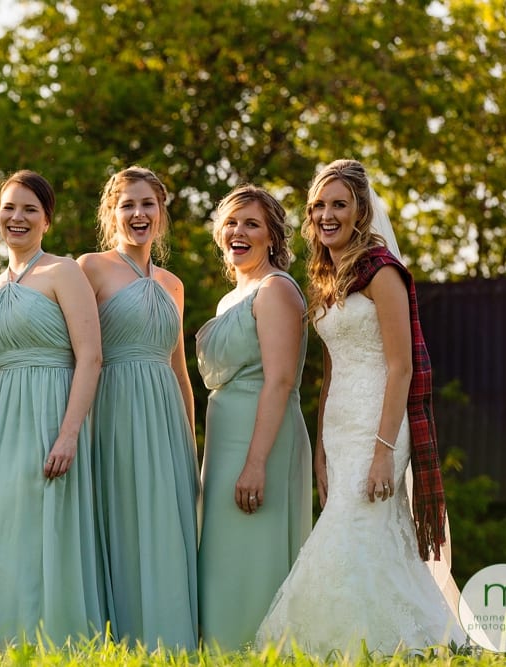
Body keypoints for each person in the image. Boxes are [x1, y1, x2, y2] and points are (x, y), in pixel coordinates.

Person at [256, 159, 463, 656]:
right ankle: (394, 641)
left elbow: (401, 367)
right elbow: (330, 374)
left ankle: (350, 643)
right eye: (319, 206)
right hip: (341, 427)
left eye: (339, 205)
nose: (327, 215)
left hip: (380, 423)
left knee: (352, 527)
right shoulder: (324, 277)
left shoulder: (383, 272)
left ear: (361, 211)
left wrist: (383, 450)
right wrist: (322, 450)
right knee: (369, 535)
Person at [0, 170, 104, 647]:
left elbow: (90, 356)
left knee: (43, 533)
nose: (17, 217)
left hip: (50, 414)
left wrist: (68, 434)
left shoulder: (64, 272)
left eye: (30, 209)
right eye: (9, 208)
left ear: (47, 220)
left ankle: (52, 644)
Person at [77, 166, 199, 651]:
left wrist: (190, 446)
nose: (138, 213)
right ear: (111, 213)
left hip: (166, 420)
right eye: (127, 205)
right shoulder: (90, 268)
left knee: (166, 527)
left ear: (161, 213)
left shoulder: (174, 284)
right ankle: (123, 641)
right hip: (113, 411)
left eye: (148, 204)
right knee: (122, 522)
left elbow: (180, 370)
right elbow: (73, 355)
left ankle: (170, 642)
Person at [195, 184, 312, 652]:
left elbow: (280, 381)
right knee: (223, 550)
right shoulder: (230, 299)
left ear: (272, 236)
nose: (238, 232)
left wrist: (256, 463)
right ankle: (222, 649)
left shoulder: (276, 289)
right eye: (231, 223)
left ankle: (260, 650)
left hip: (261, 440)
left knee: (256, 548)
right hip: (225, 438)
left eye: (251, 224)